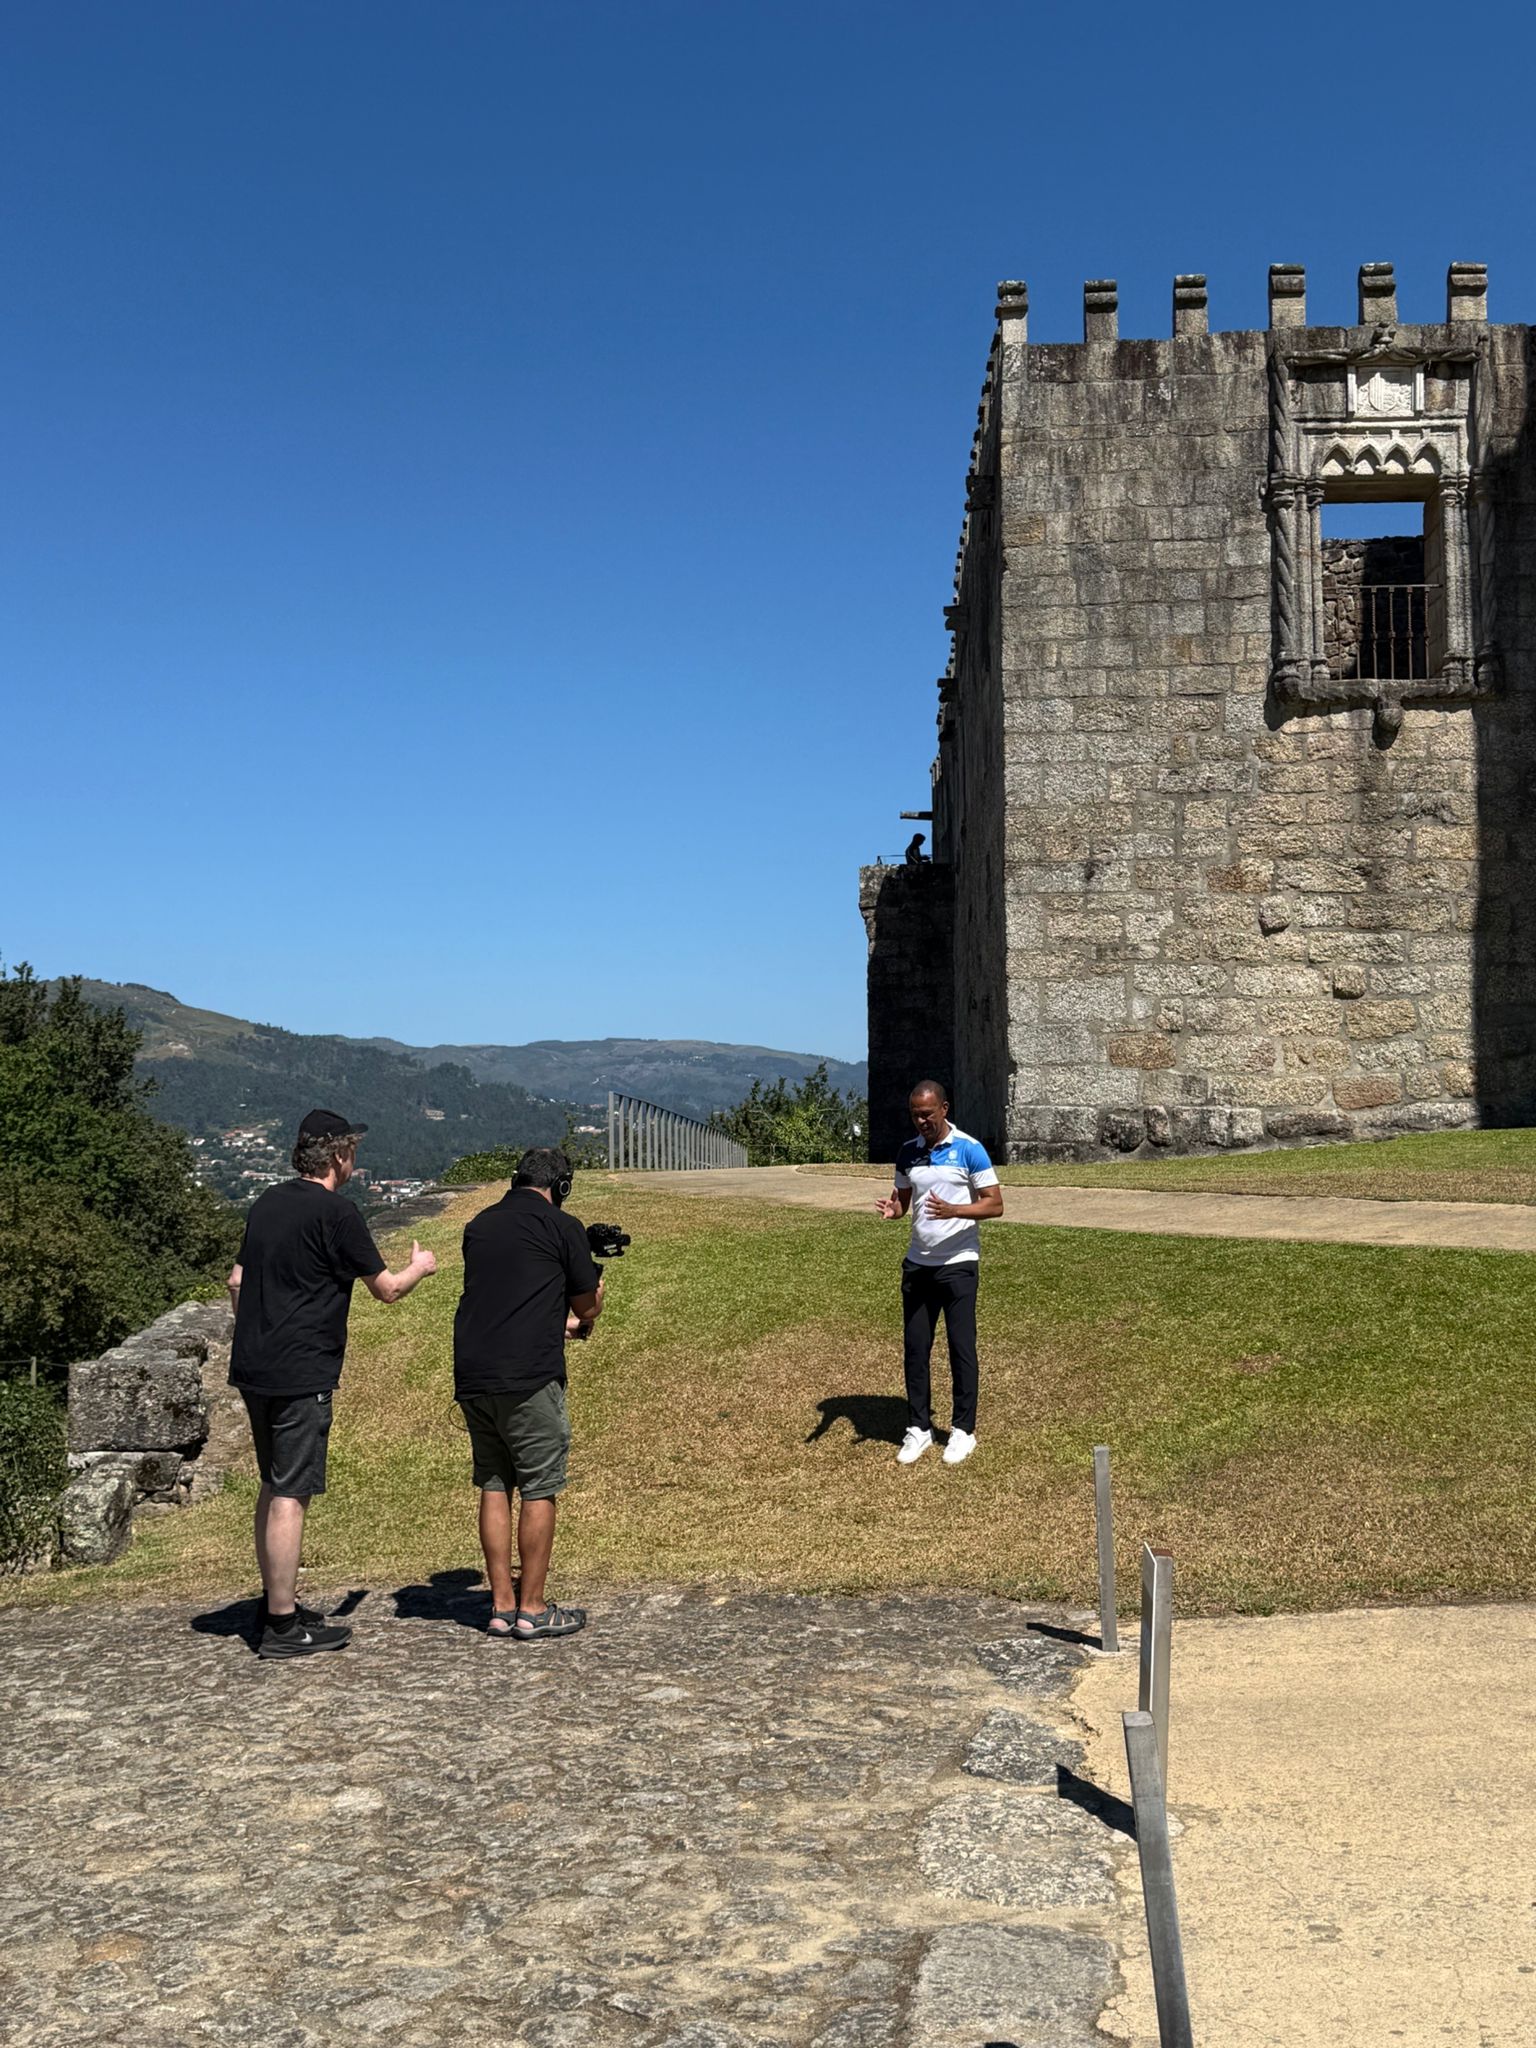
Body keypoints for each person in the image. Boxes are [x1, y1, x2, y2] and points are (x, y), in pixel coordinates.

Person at [227, 1108, 437, 1659]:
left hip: (255, 1367)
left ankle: (276, 1599)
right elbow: (387, 1290)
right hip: (302, 1370)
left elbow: (237, 1281)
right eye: (354, 1153)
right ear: (340, 1155)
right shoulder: (338, 1213)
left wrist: (256, 1334)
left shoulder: (266, 1202)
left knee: (273, 1485)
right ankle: (281, 1625)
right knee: (292, 1492)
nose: (355, 1162)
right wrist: (423, 1266)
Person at [452, 1146, 602, 1641]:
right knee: (539, 1484)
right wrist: (593, 1299)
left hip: (475, 1373)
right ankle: (533, 1609)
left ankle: (500, 1606)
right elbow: (586, 1305)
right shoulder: (563, 1227)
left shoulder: (479, 1225)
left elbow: (511, 1296)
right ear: (561, 1187)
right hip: (529, 1377)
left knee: (494, 1483)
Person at [874, 1081, 1003, 1467]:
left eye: (928, 1114)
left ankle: (963, 1431)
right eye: (915, 1114)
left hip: (958, 1263)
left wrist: (956, 1211)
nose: (921, 1121)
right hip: (918, 1264)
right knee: (916, 1350)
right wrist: (894, 1211)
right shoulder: (907, 1153)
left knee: (961, 1348)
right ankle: (919, 1428)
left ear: (944, 1109)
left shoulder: (969, 1149)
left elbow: (995, 1205)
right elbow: (904, 1203)